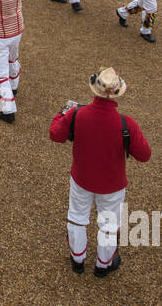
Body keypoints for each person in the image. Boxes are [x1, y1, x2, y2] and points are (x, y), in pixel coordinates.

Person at [49, 68, 152, 277]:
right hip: (112, 184)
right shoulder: (127, 124)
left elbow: (55, 134)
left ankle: (77, 259)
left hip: (82, 178)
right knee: (109, 224)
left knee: (77, 217)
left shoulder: (77, 114)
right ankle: (103, 265)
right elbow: (144, 155)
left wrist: (61, 113)